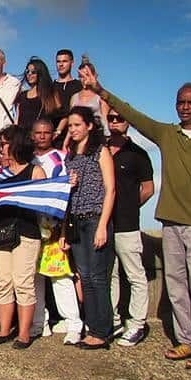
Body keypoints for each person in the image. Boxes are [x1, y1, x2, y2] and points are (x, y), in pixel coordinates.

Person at [79, 68, 191, 370]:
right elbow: (132, 114)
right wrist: (100, 90)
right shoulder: (167, 134)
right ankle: (186, 341)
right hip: (171, 222)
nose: (185, 107)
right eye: (181, 102)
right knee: (175, 285)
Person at [59, 106, 116, 351]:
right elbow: (66, 196)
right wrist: (64, 231)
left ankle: (101, 331)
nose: (72, 130)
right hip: (76, 220)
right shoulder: (70, 156)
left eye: (77, 125)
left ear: (89, 126)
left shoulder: (100, 151)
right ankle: (92, 328)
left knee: (97, 276)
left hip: (95, 218)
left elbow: (110, 189)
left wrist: (103, 225)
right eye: (70, 126)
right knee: (85, 276)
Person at [0, 126, 46, 349]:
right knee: (3, 282)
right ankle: (4, 330)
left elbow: (42, 199)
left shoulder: (34, 171)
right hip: (1, 232)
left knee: (23, 282)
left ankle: (23, 333)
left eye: (3, 143)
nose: (0, 148)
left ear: (15, 144)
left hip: (26, 232)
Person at [30, 119, 84, 345]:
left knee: (60, 276)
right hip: (31, 225)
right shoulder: (27, 159)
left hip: (54, 225)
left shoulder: (62, 158)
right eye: (38, 133)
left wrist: (63, 230)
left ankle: (74, 324)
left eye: (46, 133)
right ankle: (38, 323)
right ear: (32, 135)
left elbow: (67, 194)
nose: (42, 136)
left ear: (53, 134)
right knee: (33, 278)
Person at [106, 110, 154, 347]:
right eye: (111, 118)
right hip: (104, 224)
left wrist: (129, 206)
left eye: (119, 118)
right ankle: (113, 321)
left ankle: (136, 323)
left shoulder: (138, 154)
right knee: (110, 275)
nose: (115, 122)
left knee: (135, 275)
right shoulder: (101, 150)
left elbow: (148, 189)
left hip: (127, 224)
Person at [15, 57, 62, 133]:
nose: (29, 74)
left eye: (33, 72)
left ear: (40, 73)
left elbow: (62, 115)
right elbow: (17, 119)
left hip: (41, 138)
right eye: (27, 71)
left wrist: (58, 131)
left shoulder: (50, 93)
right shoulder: (22, 95)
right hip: (22, 139)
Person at [69, 56, 110, 136]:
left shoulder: (100, 97)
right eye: (81, 76)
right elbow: (71, 121)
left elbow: (105, 120)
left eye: (87, 75)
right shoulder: (74, 97)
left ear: (94, 75)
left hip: (95, 136)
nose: (84, 79)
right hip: (76, 138)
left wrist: (107, 137)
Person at [53, 49, 82, 141]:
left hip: (73, 136)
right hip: (52, 136)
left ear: (72, 63)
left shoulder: (79, 86)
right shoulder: (50, 86)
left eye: (64, 61)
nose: (61, 65)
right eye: (58, 61)